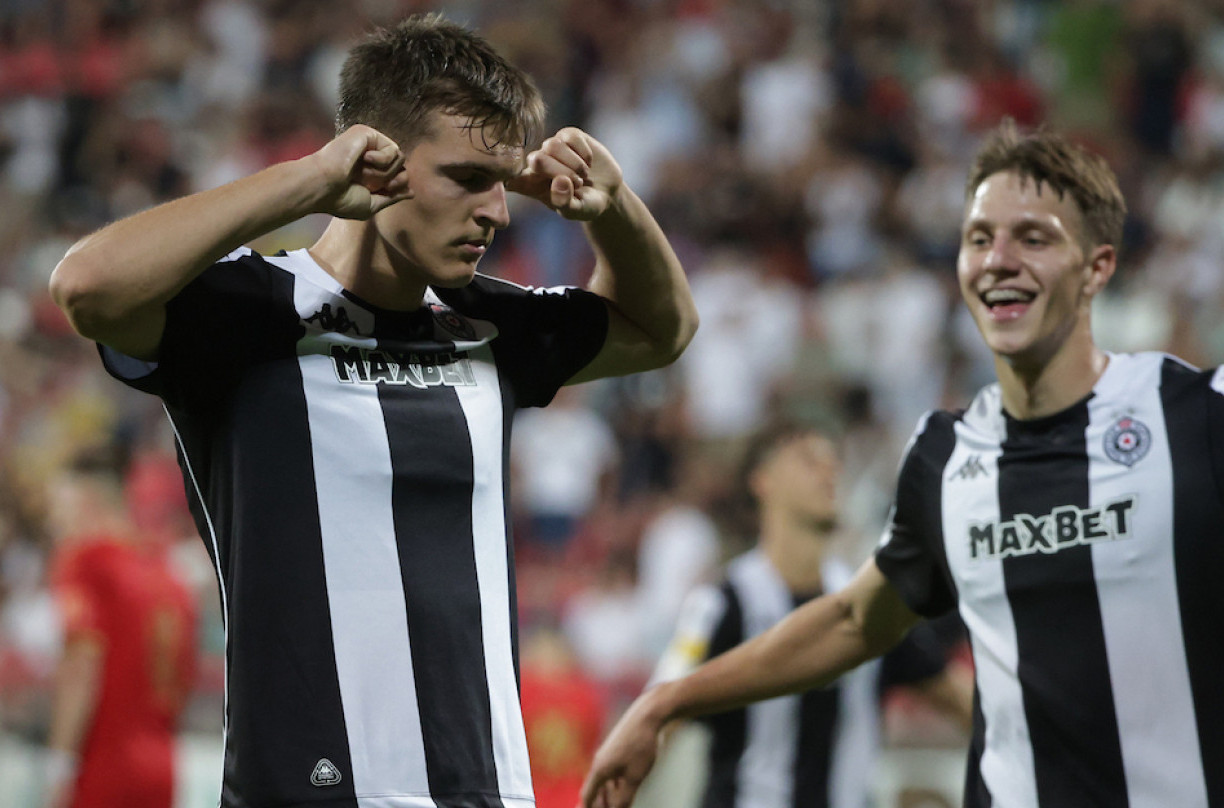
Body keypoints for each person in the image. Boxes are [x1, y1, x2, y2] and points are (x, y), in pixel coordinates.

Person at [48, 13, 698, 808]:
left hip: (486, 794)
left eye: (502, 181)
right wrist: (309, 180)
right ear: (372, 157)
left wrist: (614, 207)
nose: (497, 211)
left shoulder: (490, 324)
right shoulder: (245, 311)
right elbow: (86, 286)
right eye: (467, 177)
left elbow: (664, 331)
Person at [581, 120, 1224, 808]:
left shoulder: (1195, 416)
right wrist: (665, 702)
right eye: (979, 238)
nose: (999, 259)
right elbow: (856, 621)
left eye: (1033, 238)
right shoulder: (947, 456)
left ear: (1097, 266)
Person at [647, 422, 971, 808]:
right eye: (808, 460)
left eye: (833, 462)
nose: (829, 471)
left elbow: (960, 699)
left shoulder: (867, 605)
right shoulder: (721, 604)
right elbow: (656, 718)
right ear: (762, 479)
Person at [42, 445, 198, 808]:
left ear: (87, 503)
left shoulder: (86, 561)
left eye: (58, 508)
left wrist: (59, 764)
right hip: (163, 765)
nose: (53, 523)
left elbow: (81, 665)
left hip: (103, 764)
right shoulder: (167, 574)